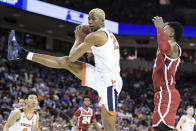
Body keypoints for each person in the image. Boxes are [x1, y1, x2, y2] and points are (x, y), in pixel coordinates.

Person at [8, 8, 122, 131]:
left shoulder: (96, 36)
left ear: (102, 21)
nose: (90, 21)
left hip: (109, 82)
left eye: (93, 19)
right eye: (89, 18)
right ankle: (21, 53)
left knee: (109, 128)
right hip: (100, 75)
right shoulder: (107, 35)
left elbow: (73, 57)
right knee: (65, 62)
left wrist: (78, 39)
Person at [151, 16, 183, 131]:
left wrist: (159, 28)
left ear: (172, 34)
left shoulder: (173, 46)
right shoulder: (164, 45)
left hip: (167, 92)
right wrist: (163, 27)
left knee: (161, 128)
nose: (163, 29)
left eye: (166, 28)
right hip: (160, 93)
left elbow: (164, 47)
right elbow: (162, 45)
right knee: (157, 128)